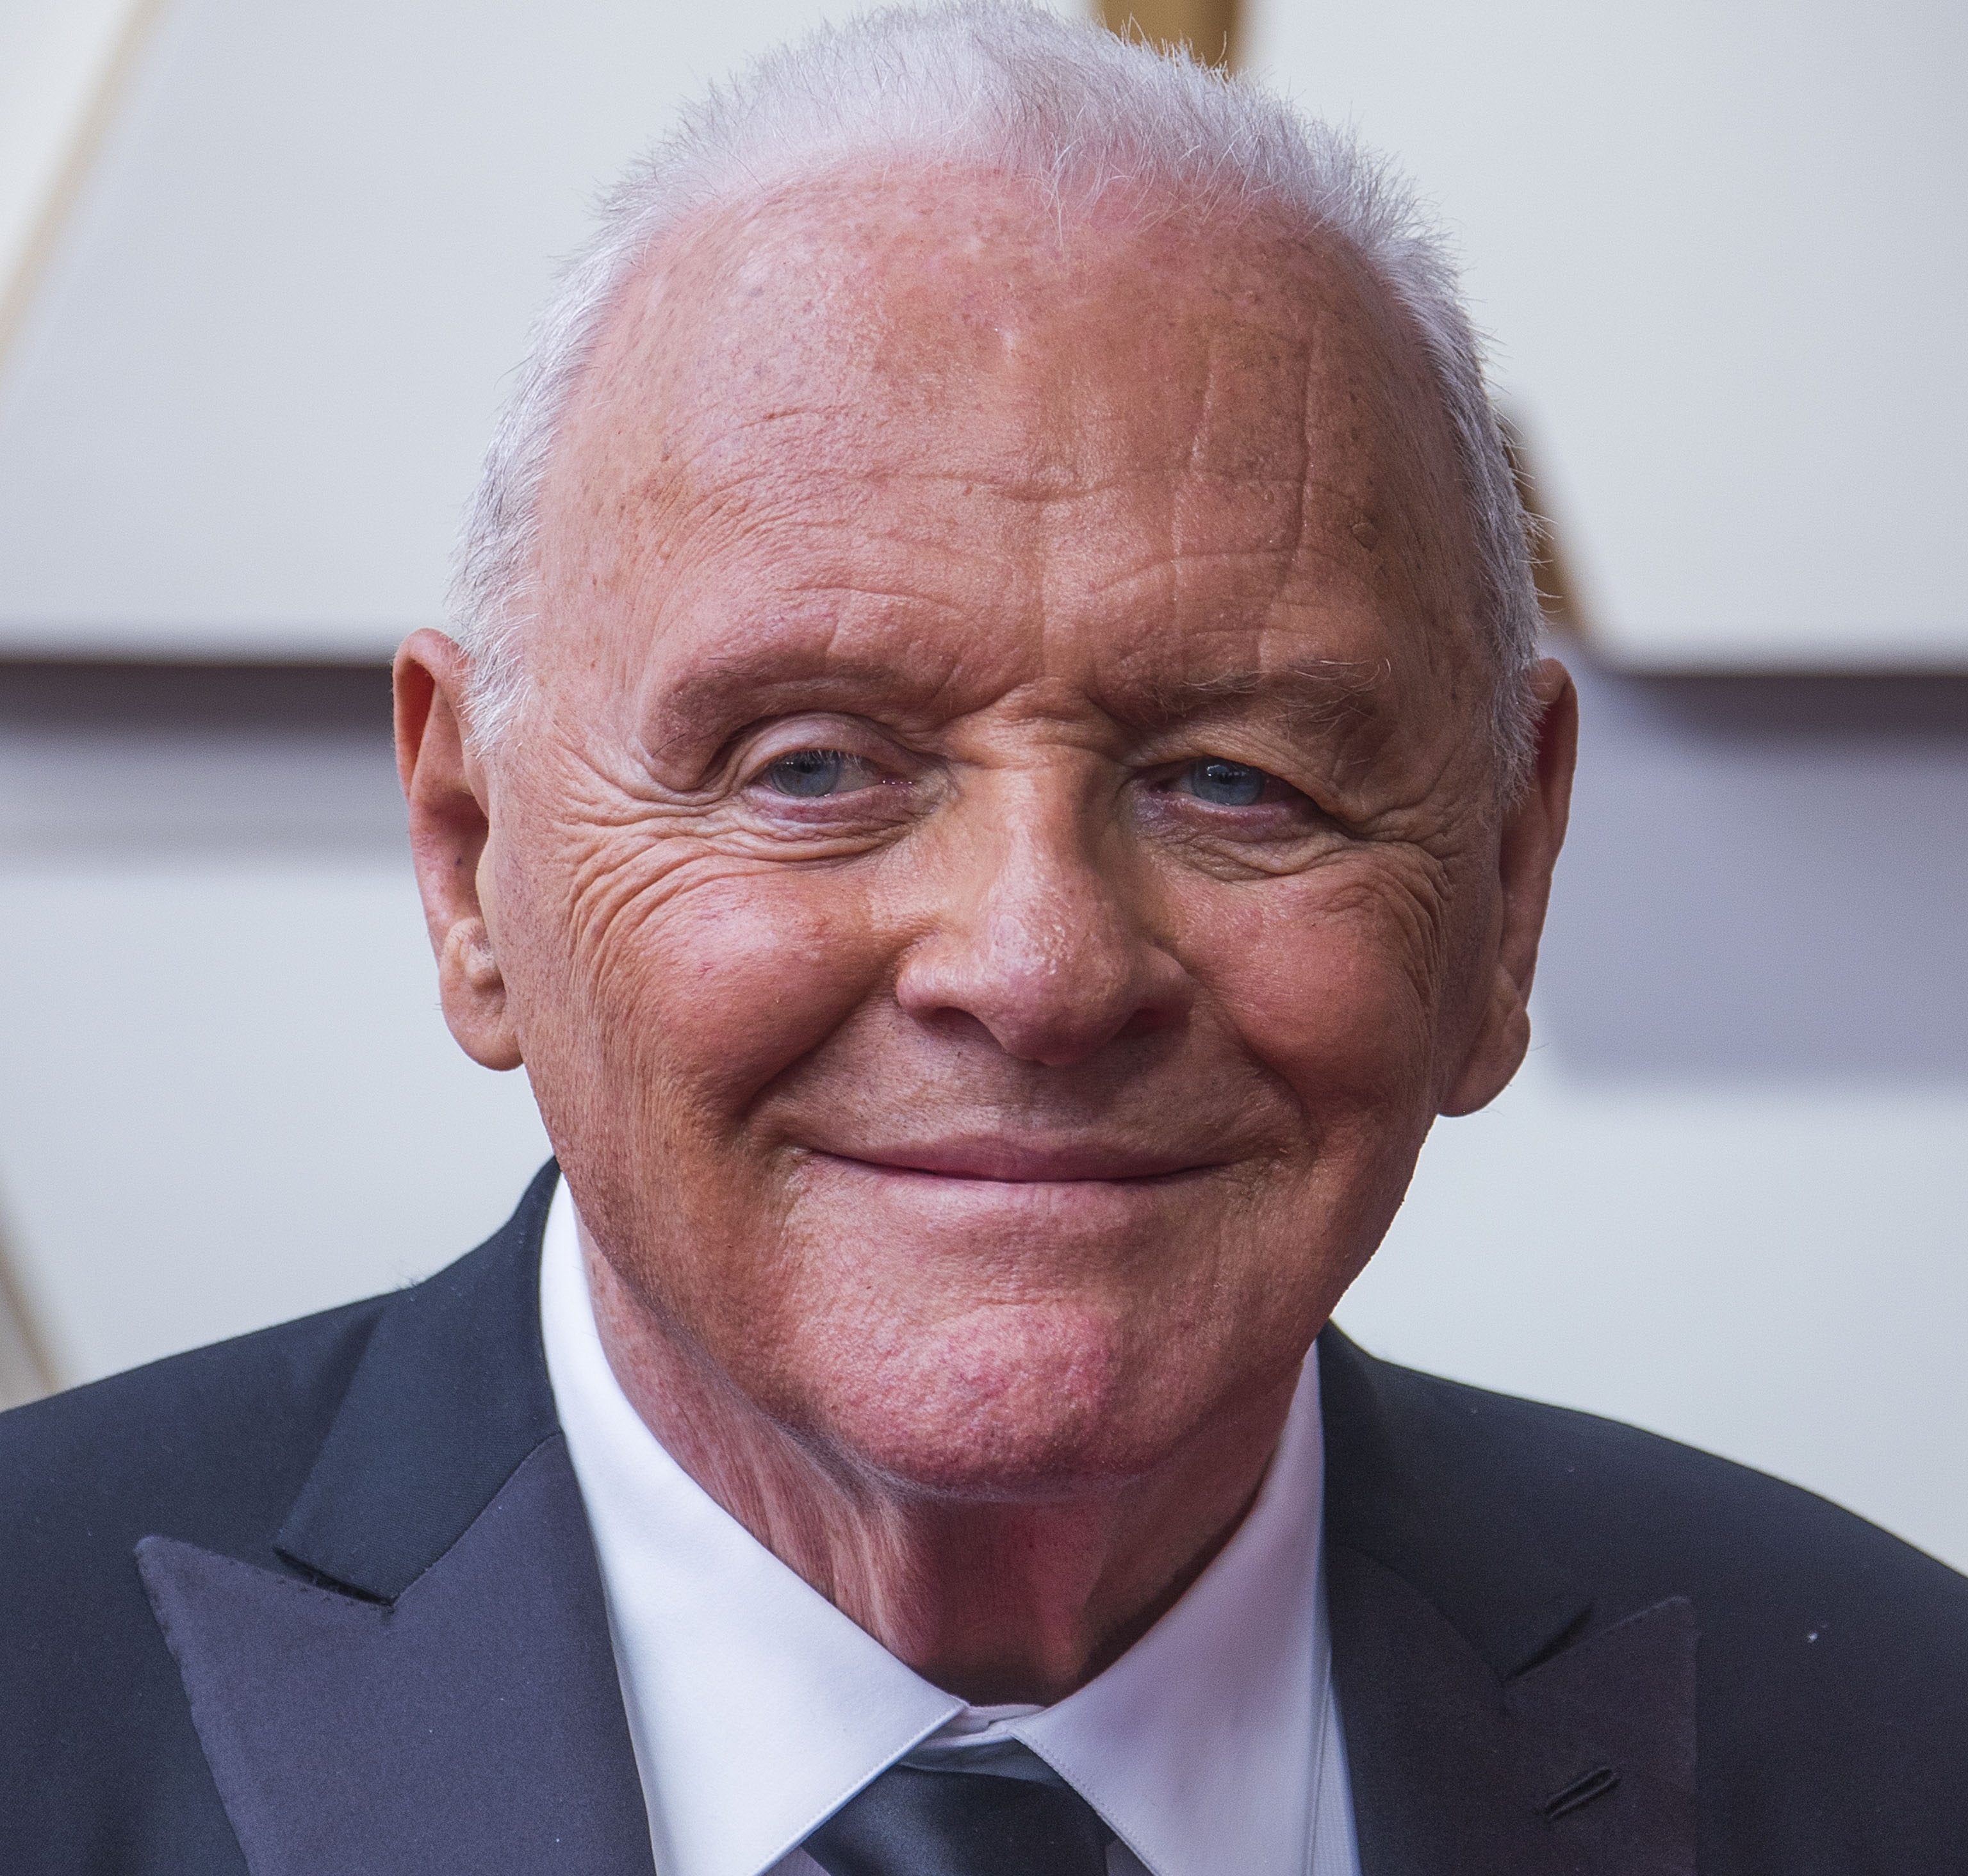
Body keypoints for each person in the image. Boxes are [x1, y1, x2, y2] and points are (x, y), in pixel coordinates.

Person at [3, 6, 1962, 1872]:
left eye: (1235, 782)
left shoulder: (1904, 1753)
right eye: (811, 768)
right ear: (468, 859)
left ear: (1510, 881)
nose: (1038, 971)